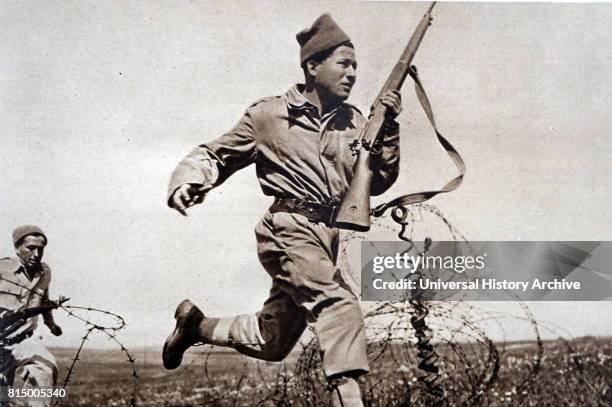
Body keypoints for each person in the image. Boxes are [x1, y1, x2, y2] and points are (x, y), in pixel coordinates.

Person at [163, 14, 402, 406]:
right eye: (344, 63)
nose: (353, 73)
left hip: (326, 236)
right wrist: (188, 180)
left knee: (273, 341)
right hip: (287, 228)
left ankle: (195, 326)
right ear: (312, 66)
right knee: (338, 306)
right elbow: (216, 154)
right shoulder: (269, 116)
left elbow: (377, 182)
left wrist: (389, 129)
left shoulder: (354, 122)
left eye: (356, 65)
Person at [0, 225, 62, 403]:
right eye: (31, 248)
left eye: (40, 249)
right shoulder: (2, 269)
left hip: (25, 341)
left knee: (45, 369)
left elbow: (44, 301)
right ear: (17, 248)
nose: (36, 254)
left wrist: (51, 325)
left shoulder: (44, 272)